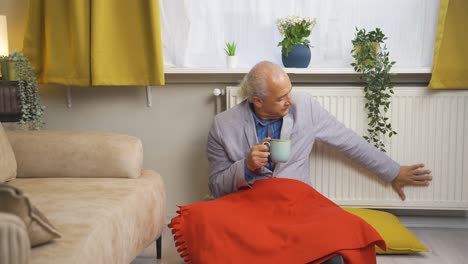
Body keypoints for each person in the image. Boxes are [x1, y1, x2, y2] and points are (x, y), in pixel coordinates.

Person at [207, 60, 432, 199]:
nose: (290, 101)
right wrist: (246, 166)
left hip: (296, 202)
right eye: (281, 98)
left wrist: (393, 171)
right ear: (258, 100)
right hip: (249, 206)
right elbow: (217, 187)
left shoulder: (306, 107)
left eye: (290, 92)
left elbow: (348, 141)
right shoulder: (223, 125)